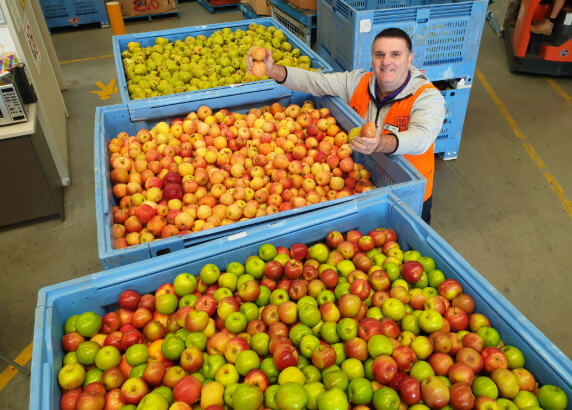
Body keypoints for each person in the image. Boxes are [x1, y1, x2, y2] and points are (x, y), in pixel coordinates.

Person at [247, 28, 445, 224]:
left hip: (409, 194)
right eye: (379, 55)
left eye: (396, 54)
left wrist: (381, 143)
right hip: (364, 183)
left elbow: (422, 137)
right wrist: (272, 70)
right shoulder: (358, 82)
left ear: (410, 59)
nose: (386, 62)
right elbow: (315, 82)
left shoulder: (427, 96)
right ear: (372, 58)